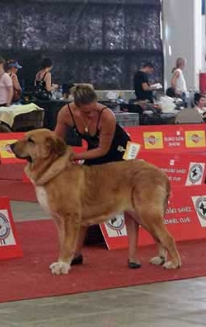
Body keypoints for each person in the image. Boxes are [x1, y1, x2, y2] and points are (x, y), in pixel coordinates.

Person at [53, 84, 139, 269]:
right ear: (76, 108)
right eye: (87, 112)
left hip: (120, 150)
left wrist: (74, 156)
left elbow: (103, 150)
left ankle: (133, 255)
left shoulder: (106, 115)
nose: (92, 114)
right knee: (83, 202)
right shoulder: (65, 113)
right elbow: (55, 142)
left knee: (130, 203)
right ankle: (76, 253)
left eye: (94, 109)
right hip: (94, 150)